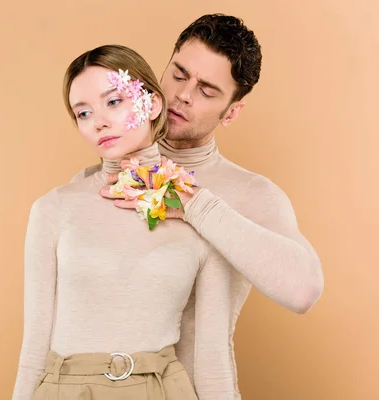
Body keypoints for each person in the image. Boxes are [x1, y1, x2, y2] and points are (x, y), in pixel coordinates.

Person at [72, 13, 325, 398]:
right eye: (178, 74)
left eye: (207, 90)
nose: (184, 95)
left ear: (232, 112)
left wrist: (193, 202)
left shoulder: (251, 193)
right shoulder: (98, 182)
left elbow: (303, 290)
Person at [12, 44, 233, 400]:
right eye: (83, 113)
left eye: (113, 102)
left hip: (162, 390)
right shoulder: (54, 209)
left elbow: (212, 360)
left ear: (154, 104)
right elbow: (34, 347)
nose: (98, 121)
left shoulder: (199, 209)